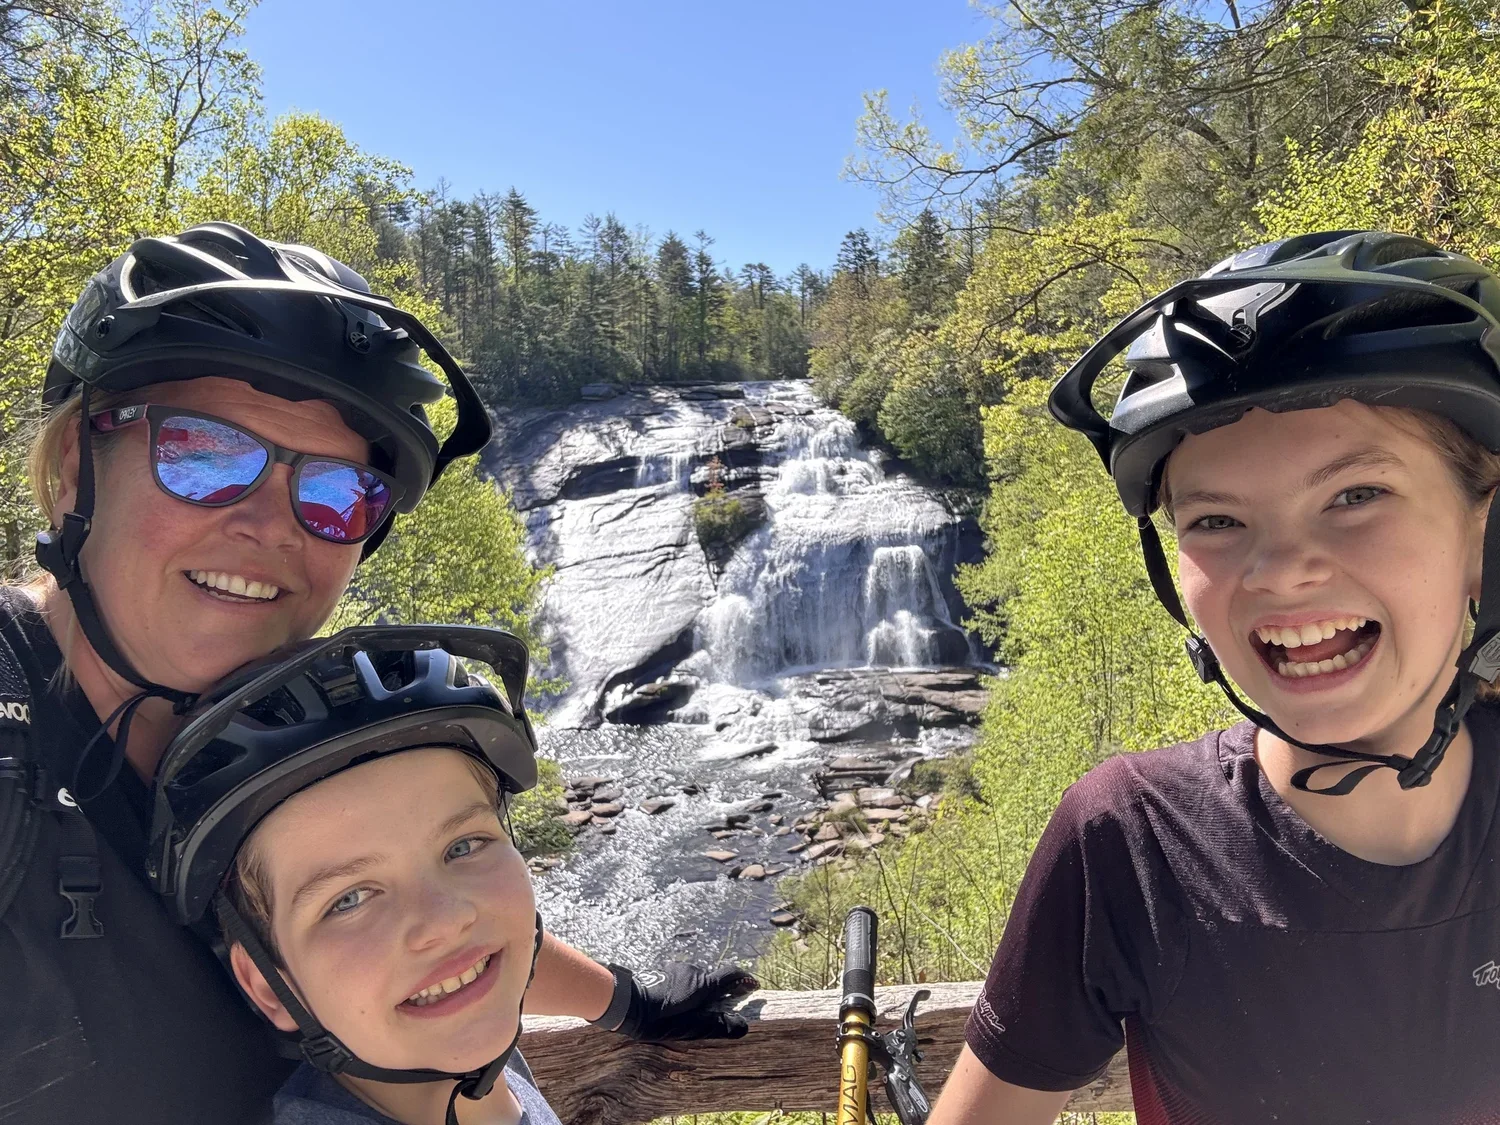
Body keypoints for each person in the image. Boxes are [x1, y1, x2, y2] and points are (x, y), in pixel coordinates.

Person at [0, 222, 753, 1125]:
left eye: (335, 493)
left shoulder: (281, 726)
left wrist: (630, 1002)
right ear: (79, 463)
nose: (275, 528)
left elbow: (435, 914)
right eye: (205, 453)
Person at [930, 230, 1500, 1125]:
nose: (1280, 571)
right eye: (1218, 519)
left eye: (1355, 495)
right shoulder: (1130, 842)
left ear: (1483, 534)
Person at [153, 625, 563, 1125]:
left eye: (463, 846)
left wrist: (627, 1003)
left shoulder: (474, 1045)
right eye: (349, 899)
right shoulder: (458, 1037)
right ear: (267, 984)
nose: (446, 920)